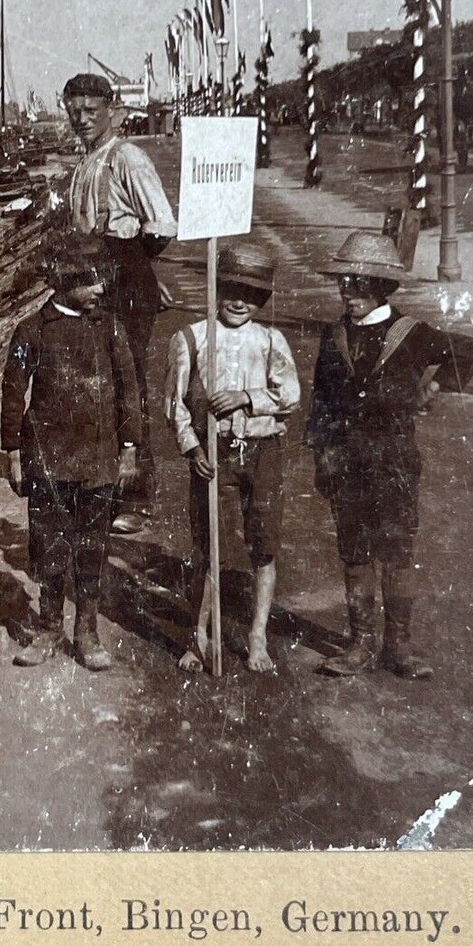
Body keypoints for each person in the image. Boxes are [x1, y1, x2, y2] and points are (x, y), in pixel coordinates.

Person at [305, 231, 473, 680]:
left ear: (383, 288)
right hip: (347, 462)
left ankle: (398, 645)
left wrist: (435, 386)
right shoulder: (335, 336)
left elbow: (470, 350)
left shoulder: (413, 334)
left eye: (360, 285)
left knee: (398, 551)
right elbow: (322, 402)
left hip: (395, 463)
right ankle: (360, 643)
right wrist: (322, 457)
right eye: (344, 284)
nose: (350, 294)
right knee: (355, 552)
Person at [1, 231, 140, 672]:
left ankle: (87, 631)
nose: (101, 289)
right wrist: (11, 453)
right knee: (49, 546)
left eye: (103, 280)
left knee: (92, 546)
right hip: (49, 463)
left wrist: (130, 448)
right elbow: (12, 393)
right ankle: (47, 628)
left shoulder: (111, 328)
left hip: (98, 462)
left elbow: (129, 391)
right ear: (64, 281)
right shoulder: (32, 331)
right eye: (92, 281)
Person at [164, 246, 299, 674]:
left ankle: (257, 635)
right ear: (216, 289)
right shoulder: (191, 338)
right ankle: (198, 633)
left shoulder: (271, 340)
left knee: (264, 544)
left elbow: (290, 395)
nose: (240, 302)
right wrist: (194, 449)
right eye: (232, 290)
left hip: (262, 453)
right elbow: (175, 405)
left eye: (252, 294)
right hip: (214, 454)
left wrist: (247, 398)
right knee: (209, 546)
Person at [64, 71, 177, 535]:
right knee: (99, 383)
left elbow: (162, 224)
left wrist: (136, 272)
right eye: (75, 112)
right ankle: (106, 486)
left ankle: (138, 497)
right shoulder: (86, 163)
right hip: (100, 281)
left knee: (129, 386)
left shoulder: (126, 157)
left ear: (113, 111)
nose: (83, 120)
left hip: (123, 283)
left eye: (92, 112)